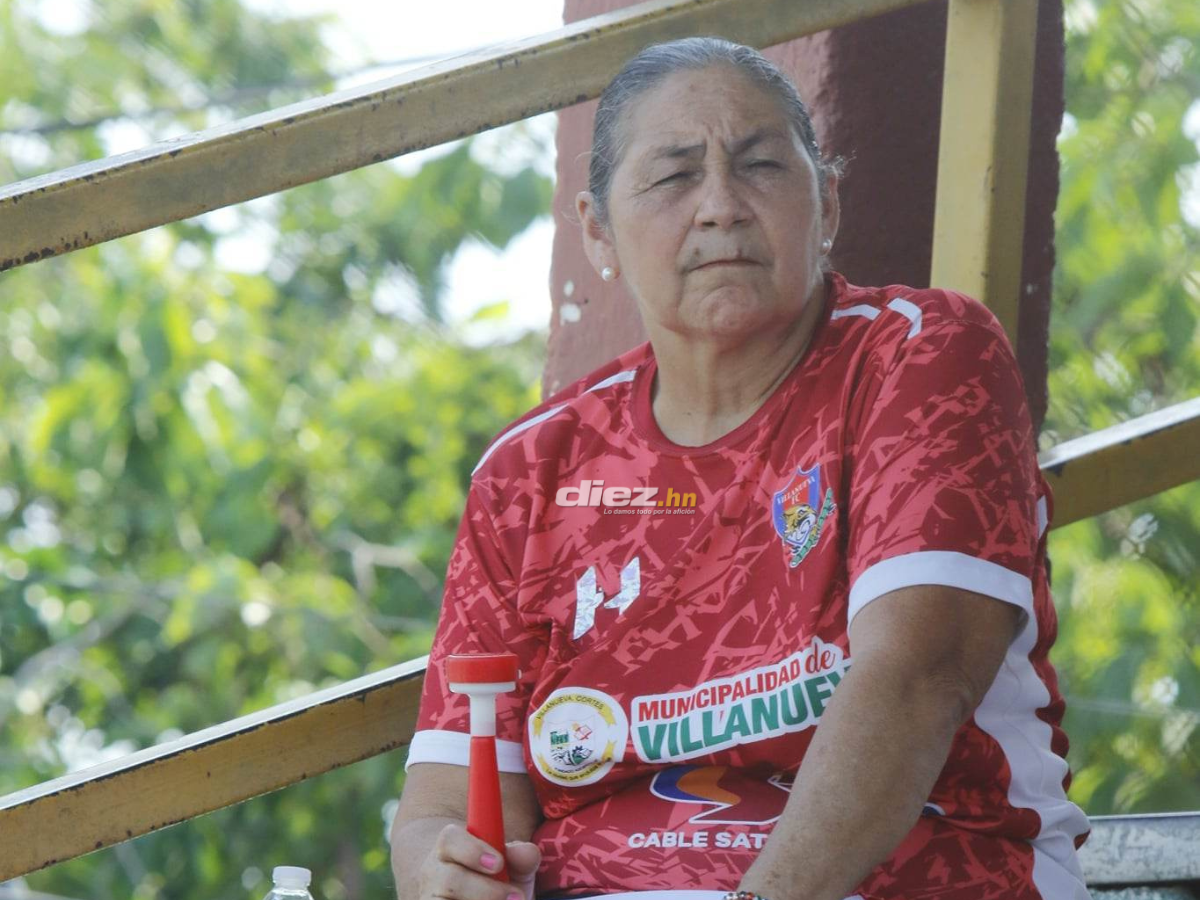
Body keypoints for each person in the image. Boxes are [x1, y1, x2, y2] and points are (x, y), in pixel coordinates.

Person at [390, 37, 1092, 900]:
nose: (720, 206)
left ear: (826, 203)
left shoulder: (923, 359)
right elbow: (443, 808)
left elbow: (918, 679)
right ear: (597, 231)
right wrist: (440, 869)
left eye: (760, 165)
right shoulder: (532, 468)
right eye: (675, 176)